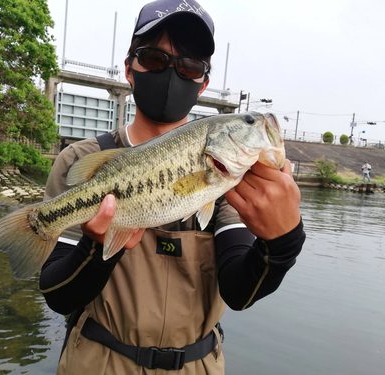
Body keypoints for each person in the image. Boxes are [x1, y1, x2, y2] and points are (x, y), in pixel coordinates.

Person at [39, 0, 305, 373]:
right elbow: (57, 295)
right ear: (129, 68)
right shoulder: (78, 160)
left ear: (203, 82)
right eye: (153, 58)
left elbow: (239, 291)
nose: (171, 72)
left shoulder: (232, 180)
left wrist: (281, 243)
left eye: (190, 65)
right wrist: (94, 245)